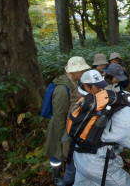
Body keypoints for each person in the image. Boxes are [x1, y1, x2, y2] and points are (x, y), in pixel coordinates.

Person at [44, 56, 91, 186]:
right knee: (57, 152)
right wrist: (61, 135)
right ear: (73, 71)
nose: (82, 73)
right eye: (81, 70)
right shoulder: (62, 89)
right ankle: (56, 175)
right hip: (60, 126)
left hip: (68, 124)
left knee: (65, 151)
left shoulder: (72, 82)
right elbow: (59, 114)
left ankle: (66, 171)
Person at [63, 70, 109, 186]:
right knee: (71, 171)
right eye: (97, 87)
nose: (101, 90)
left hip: (85, 146)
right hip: (75, 145)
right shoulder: (79, 102)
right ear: (87, 87)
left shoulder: (91, 96)